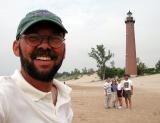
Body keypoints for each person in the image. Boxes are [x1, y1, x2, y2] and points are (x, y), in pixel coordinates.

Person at [0, 10, 73, 123]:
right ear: (16, 47)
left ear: (64, 51)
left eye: (55, 38)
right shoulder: (5, 95)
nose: (44, 46)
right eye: (33, 38)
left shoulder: (64, 96)